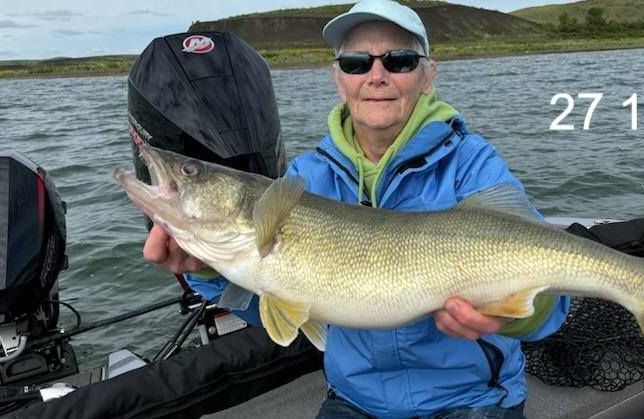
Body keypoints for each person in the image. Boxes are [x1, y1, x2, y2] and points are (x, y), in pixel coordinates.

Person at [143, 0, 570, 417]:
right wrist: (208, 272)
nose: (376, 76)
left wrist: (506, 315)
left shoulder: (473, 164)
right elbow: (276, 306)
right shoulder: (303, 180)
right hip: (355, 401)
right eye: (356, 63)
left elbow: (551, 308)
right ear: (338, 78)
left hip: (473, 399)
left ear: (427, 76)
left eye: (399, 61)